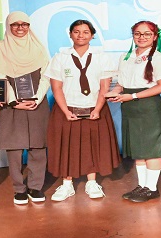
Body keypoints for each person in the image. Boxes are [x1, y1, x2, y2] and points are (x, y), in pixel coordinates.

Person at [45, 19, 121, 201]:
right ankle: (66, 184)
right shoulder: (60, 58)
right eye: (76, 31)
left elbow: (105, 86)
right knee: (66, 146)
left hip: (94, 108)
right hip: (67, 108)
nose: (81, 35)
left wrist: (98, 108)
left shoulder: (102, 57)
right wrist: (65, 111)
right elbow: (56, 88)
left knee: (93, 145)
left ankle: (92, 182)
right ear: (70, 34)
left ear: (92, 35)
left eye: (86, 32)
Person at [0, 11, 49, 206]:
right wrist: (14, 100)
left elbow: (46, 76)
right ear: (8, 26)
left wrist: (37, 98)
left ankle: (35, 186)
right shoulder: (0, 48)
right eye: (15, 24)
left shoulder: (38, 47)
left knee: (38, 147)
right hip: (12, 104)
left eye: (24, 24)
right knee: (14, 149)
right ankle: (19, 189)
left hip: (36, 104)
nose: (20, 28)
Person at [111, 21, 161, 203]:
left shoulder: (159, 58)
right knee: (138, 148)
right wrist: (115, 92)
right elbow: (121, 82)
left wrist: (134, 96)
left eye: (147, 34)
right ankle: (142, 185)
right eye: (138, 33)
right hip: (129, 106)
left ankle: (151, 188)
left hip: (148, 105)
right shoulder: (125, 56)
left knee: (151, 149)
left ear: (155, 37)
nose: (141, 37)